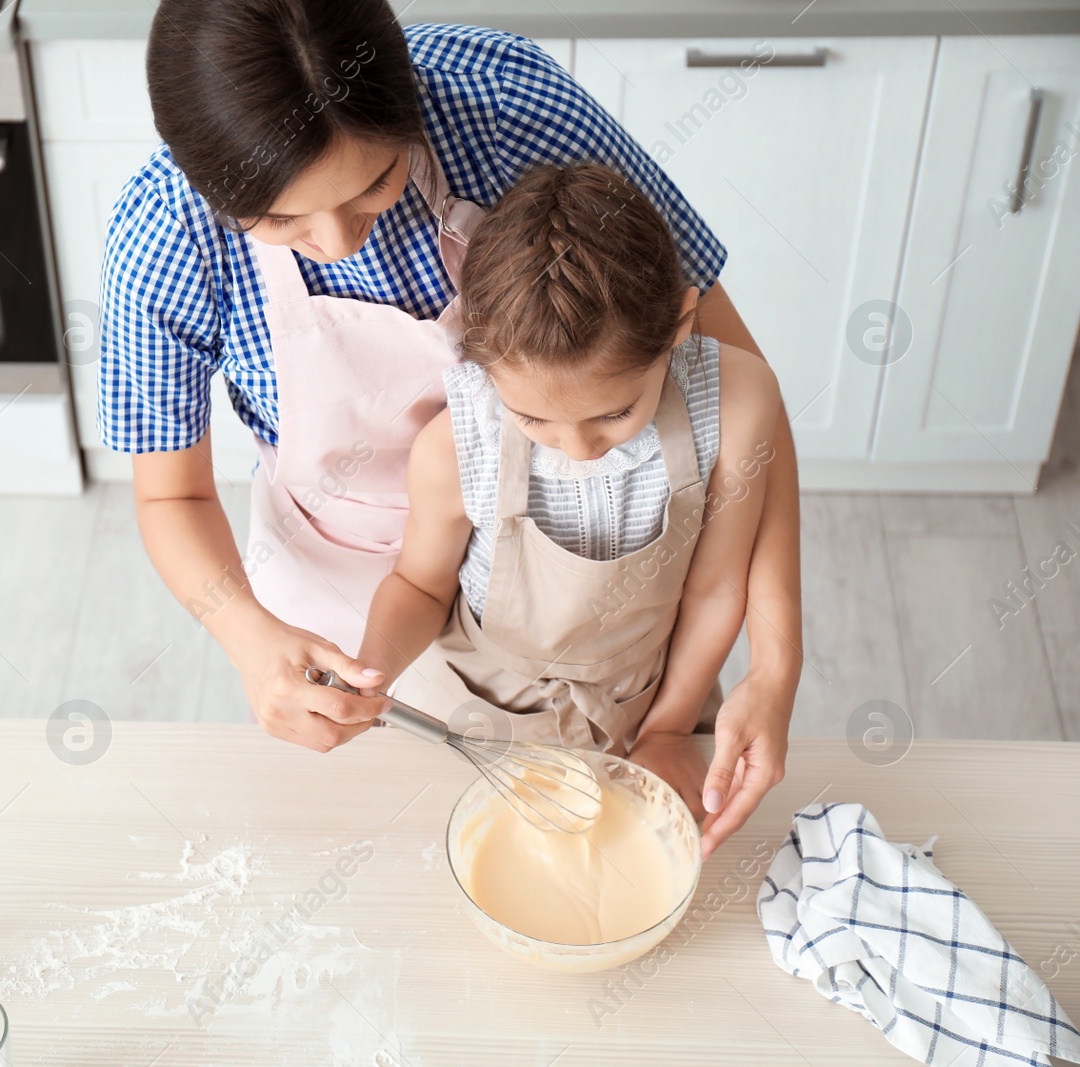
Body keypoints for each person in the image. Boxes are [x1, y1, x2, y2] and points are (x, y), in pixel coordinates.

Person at [100, 0, 802, 856]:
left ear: (408, 110)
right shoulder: (161, 233)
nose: (336, 243)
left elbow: (735, 388)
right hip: (351, 596)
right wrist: (250, 638)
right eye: (280, 221)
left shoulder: (505, 103)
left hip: (596, 565)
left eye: (373, 186)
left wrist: (772, 670)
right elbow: (170, 493)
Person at [357, 161, 783, 833]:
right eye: (533, 420)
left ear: (679, 326)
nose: (577, 448)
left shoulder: (733, 406)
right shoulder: (454, 447)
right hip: (472, 709)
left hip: (652, 704)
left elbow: (716, 589)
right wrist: (370, 670)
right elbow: (417, 585)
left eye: (613, 414)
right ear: (481, 359)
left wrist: (670, 729)